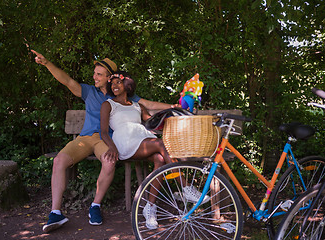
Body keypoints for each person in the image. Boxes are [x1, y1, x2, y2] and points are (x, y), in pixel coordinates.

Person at [31, 50, 176, 233]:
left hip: (105, 140)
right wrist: (46, 63)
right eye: (94, 73)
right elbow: (67, 81)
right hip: (85, 139)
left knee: (109, 162)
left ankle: (95, 206)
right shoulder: (89, 91)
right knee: (59, 161)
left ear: (109, 77)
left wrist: (172, 107)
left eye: (99, 74)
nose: (94, 77)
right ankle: (55, 212)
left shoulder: (119, 94)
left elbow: (149, 105)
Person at [100, 71, 209, 229]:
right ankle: (185, 188)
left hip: (141, 138)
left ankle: (149, 208)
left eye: (118, 82)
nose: (114, 86)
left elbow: (152, 122)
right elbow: (103, 131)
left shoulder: (138, 106)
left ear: (127, 84)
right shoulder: (108, 104)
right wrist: (112, 147)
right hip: (124, 140)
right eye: (113, 83)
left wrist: (176, 110)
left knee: (159, 159)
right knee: (160, 144)